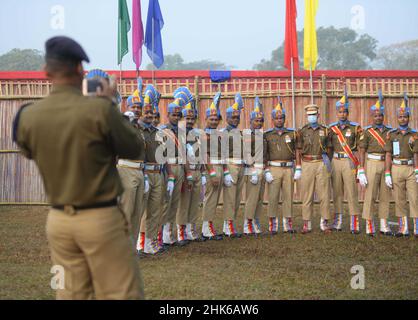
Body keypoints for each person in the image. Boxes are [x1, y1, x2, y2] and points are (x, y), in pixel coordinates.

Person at [13, 36, 144, 299]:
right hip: (100, 219)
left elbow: (28, 151)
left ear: (46, 72)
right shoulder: (99, 110)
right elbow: (134, 147)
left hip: (59, 221)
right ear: (80, 70)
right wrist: (109, 105)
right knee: (121, 293)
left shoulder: (27, 116)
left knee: (72, 294)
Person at [327, 91, 363, 234]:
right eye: (340, 112)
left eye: (345, 112)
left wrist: (359, 166)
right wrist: (328, 164)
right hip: (335, 161)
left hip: (349, 161)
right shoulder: (331, 128)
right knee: (336, 192)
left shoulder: (355, 127)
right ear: (337, 113)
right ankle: (338, 221)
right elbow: (329, 148)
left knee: (351, 191)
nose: (342, 114)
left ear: (348, 112)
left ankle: (355, 222)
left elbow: (360, 147)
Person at [160, 87, 192, 246]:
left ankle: (168, 233)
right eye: (174, 114)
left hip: (180, 166)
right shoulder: (163, 131)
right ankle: (161, 234)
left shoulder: (182, 131)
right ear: (168, 115)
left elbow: (184, 153)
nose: (176, 117)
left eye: (179, 115)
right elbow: (161, 155)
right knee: (167, 201)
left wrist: (189, 173)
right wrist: (169, 174)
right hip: (169, 168)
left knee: (175, 202)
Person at [358, 91, 393, 236]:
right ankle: (369, 223)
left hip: (385, 163)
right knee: (370, 194)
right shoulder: (367, 132)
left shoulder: (389, 131)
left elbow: (390, 151)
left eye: (380, 115)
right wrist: (361, 169)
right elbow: (361, 150)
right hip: (371, 162)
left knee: (385, 194)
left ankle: (384, 223)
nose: (378, 117)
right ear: (372, 116)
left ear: (383, 116)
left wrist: (389, 171)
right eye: (375, 115)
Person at [136, 84, 166, 255]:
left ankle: (150, 241)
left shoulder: (158, 132)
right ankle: (140, 241)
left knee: (155, 209)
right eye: (146, 113)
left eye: (152, 113)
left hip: (158, 173)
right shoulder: (137, 130)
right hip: (144, 173)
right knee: (141, 210)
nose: (149, 116)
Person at [117, 80, 146, 247]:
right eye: (133, 106)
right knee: (126, 211)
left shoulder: (140, 129)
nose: (136, 110)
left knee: (137, 212)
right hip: (126, 169)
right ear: (128, 107)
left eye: (139, 107)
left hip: (140, 171)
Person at [384, 93, 418, 238]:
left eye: (405, 117)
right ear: (397, 118)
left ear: (409, 118)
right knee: (399, 198)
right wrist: (387, 172)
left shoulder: (415, 134)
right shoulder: (392, 134)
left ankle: (416, 227)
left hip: (410, 167)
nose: (403, 119)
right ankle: (403, 227)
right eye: (400, 117)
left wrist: (417, 170)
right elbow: (388, 154)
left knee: (414, 197)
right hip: (396, 168)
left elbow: (416, 153)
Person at [296, 104, 332, 234]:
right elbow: (298, 149)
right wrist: (298, 167)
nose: (311, 117)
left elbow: (329, 148)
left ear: (318, 115)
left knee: (324, 194)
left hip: (321, 162)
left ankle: (324, 222)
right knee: (307, 194)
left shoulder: (326, 130)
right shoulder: (302, 131)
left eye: (313, 115)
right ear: (307, 116)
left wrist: (327, 162)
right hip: (307, 163)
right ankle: (307, 223)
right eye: (309, 115)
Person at [263, 97, 297, 234]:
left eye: (281, 118)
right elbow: (264, 154)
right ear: (272, 120)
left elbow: (297, 150)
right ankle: (273, 225)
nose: (279, 120)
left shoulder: (292, 133)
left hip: (288, 168)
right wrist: (266, 170)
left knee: (288, 197)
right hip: (274, 168)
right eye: (276, 118)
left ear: (284, 119)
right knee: (273, 197)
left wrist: (298, 167)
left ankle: (288, 224)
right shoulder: (267, 135)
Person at [177, 98, 207, 242]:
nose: (190, 121)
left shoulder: (197, 134)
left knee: (195, 202)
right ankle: (181, 231)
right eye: (187, 118)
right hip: (185, 172)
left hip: (197, 171)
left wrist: (203, 172)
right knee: (184, 203)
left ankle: (191, 229)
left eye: (192, 118)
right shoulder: (179, 133)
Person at [201, 92, 225, 240]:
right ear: (206, 119)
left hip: (220, 166)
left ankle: (209, 226)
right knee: (210, 198)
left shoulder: (218, 134)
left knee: (215, 199)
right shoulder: (204, 134)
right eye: (211, 119)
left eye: (216, 119)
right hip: (212, 168)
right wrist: (211, 173)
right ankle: (206, 229)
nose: (214, 121)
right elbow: (204, 154)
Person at [222, 93, 245, 238]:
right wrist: (225, 172)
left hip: (241, 166)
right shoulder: (224, 133)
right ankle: (228, 225)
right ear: (227, 118)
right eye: (233, 117)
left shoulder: (240, 133)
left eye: (237, 117)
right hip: (230, 165)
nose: (235, 120)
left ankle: (230, 223)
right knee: (230, 197)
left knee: (237, 197)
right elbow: (222, 154)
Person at [243, 97, 265, 236]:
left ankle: (255, 220)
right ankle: (247, 223)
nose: (259, 123)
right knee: (251, 198)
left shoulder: (262, 134)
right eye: (256, 121)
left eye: (261, 121)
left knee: (259, 198)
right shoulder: (246, 134)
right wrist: (252, 170)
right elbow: (245, 153)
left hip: (261, 168)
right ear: (250, 121)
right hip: (252, 169)